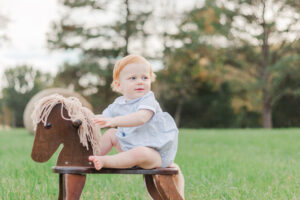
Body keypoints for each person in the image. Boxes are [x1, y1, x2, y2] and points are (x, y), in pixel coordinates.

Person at [89, 54, 184, 197]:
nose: (140, 82)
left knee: (140, 152)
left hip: (155, 153)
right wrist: (89, 120)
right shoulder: (118, 103)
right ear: (119, 85)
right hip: (130, 146)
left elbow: (140, 118)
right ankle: (90, 157)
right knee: (110, 134)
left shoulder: (148, 100)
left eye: (145, 78)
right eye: (133, 78)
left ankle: (105, 161)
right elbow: (102, 118)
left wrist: (114, 121)